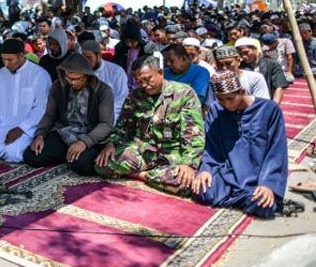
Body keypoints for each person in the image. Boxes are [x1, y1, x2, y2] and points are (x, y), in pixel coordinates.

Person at [94, 56, 204, 196]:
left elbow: (193, 134)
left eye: (148, 79)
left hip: (171, 155)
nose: (144, 85)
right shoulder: (134, 96)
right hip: (142, 152)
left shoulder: (184, 94)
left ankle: (140, 175)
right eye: (139, 81)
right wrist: (112, 143)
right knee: (102, 164)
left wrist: (188, 164)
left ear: (160, 72)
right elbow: (123, 128)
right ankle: (150, 176)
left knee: (185, 183)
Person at [193, 71, 287, 218]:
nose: (226, 104)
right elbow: (211, 146)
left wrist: (268, 184)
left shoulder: (269, 110)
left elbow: (276, 151)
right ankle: (239, 199)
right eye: (221, 99)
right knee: (203, 190)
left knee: (263, 202)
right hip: (227, 174)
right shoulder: (217, 109)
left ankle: (244, 198)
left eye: (230, 98)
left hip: (257, 178)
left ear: (242, 91)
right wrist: (206, 169)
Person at [24, 53, 114, 174]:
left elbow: (106, 124)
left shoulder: (103, 91)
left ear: (87, 76)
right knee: (32, 156)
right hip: (64, 132)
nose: (73, 82)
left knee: (81, 165)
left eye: (78, 79)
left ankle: (72, 156)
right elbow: (50, 115)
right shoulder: (58, 86)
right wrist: (40, 135)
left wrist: (84, 142)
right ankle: (67, 154)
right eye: (69, 78)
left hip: (90, 135)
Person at [0, 39, 52, 163]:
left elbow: (41, 107)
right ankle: (1, 151)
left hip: (28, 126)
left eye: (10, 60)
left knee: (13, 152)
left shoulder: (39, 75)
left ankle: (4, 151)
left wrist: (21, 128)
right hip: (2, 124)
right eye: (3, 59)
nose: (6, 64)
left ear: (21, 55)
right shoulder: (0, 74)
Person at [80, 40, 128, 123]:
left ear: (98, 56)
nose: (85, 61)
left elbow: (120, 100)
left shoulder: (116, 72)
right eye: (83, 58)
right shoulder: (80, 72)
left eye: (89, 58)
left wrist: (107, 121)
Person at [236, 37, 287, 104]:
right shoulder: (239, 67)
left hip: (266, 103)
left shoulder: (272, 64)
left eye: (246, 52)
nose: (244, 56)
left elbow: (279, 87)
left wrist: (273, 107)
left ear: (255, 49)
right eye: (241, 54)